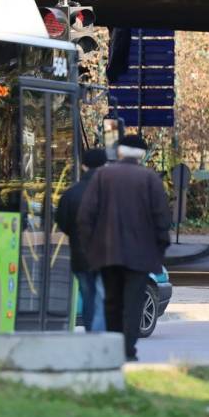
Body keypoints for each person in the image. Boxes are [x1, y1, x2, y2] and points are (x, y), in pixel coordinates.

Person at [77, 133, 170, 361]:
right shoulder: (150, 179)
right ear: (142, 155)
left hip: (107, 254)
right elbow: (162, 220)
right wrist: (159, 251)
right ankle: (128, 349)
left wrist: (91, 248)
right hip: (140, 257)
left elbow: (85, 217)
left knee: (112, 301)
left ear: (119, 152)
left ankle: (114, 344)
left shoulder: (102, 177)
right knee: (133, 303)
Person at [55, 147, 108, 332]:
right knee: (102, 296)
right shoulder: (110, 192)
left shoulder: (71, 193)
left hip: (80, 256)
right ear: (104, 166)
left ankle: (90, 333)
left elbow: (62, 221)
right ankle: (98, 337)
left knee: (87, 296)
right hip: (106, 255)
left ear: (83, 166)